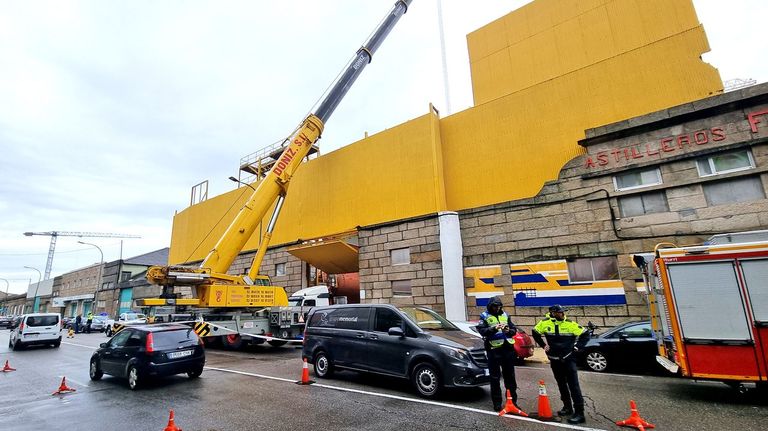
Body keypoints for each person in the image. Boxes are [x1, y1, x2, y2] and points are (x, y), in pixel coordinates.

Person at [532, 305, 590, 424]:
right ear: (552, 313)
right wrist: (543, 345)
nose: (562, 314)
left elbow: (585, 334)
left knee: (574, 386)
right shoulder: (544, 323)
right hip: (554, 360)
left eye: (562, 312)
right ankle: (567, 407)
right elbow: (535, 332)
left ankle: (579, 413)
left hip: (568, 360)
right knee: (561, 384)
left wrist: (577, 347)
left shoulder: (570, 324)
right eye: (559, 312)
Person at [476, 296, 518, 411]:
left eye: (499, 306)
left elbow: (514, 330)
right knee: (495, 378)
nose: (497, 308)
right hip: (494, 350)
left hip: (507, 349)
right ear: (490, 306)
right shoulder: (484, 316)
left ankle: (512, 402)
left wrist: (508, 330)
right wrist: (494, 328)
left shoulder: (505, 315)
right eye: (495, 306)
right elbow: (482, 331)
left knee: (510, 378)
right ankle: (497, 403)